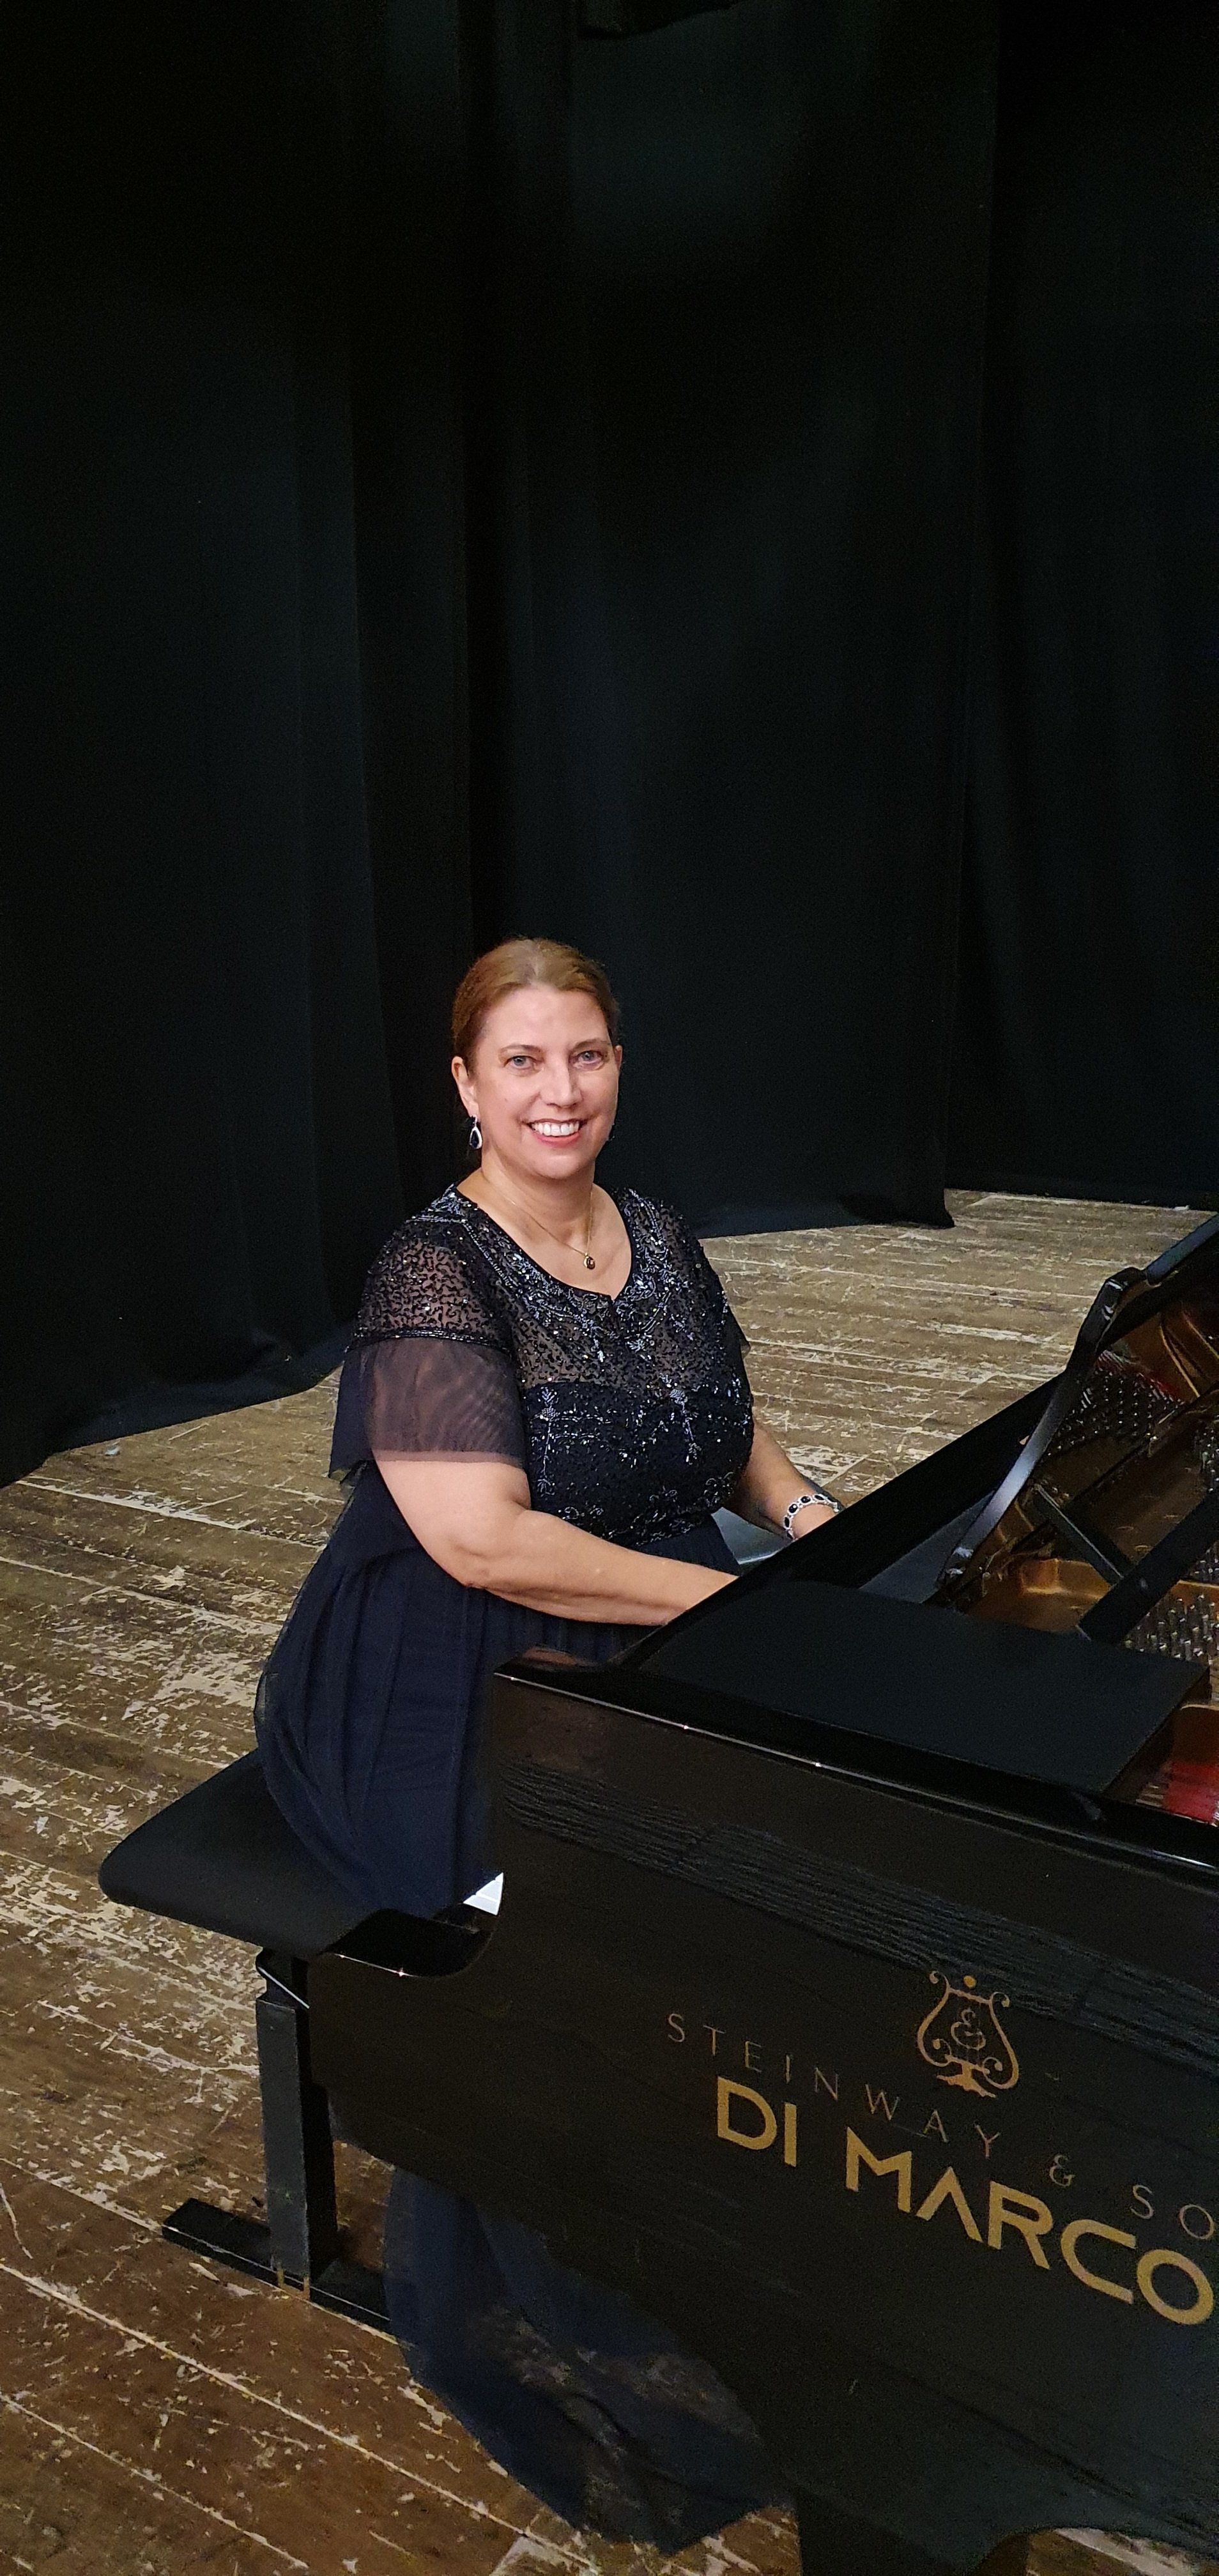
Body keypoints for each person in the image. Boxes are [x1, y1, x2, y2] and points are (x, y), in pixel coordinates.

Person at [256, 937, 841, 2547]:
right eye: (521, 1060)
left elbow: (723, 1419)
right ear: (466, 1084)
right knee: (583, 1947)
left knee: (801, 1856)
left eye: (584, 1054)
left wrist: (809, 1522)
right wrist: (737, 1607)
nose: (558, 1090)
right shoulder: (431, 1272)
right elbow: (485, 1543)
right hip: (442, 1678)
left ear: (617, 1066)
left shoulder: (651, 1226)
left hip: (644, 1609)